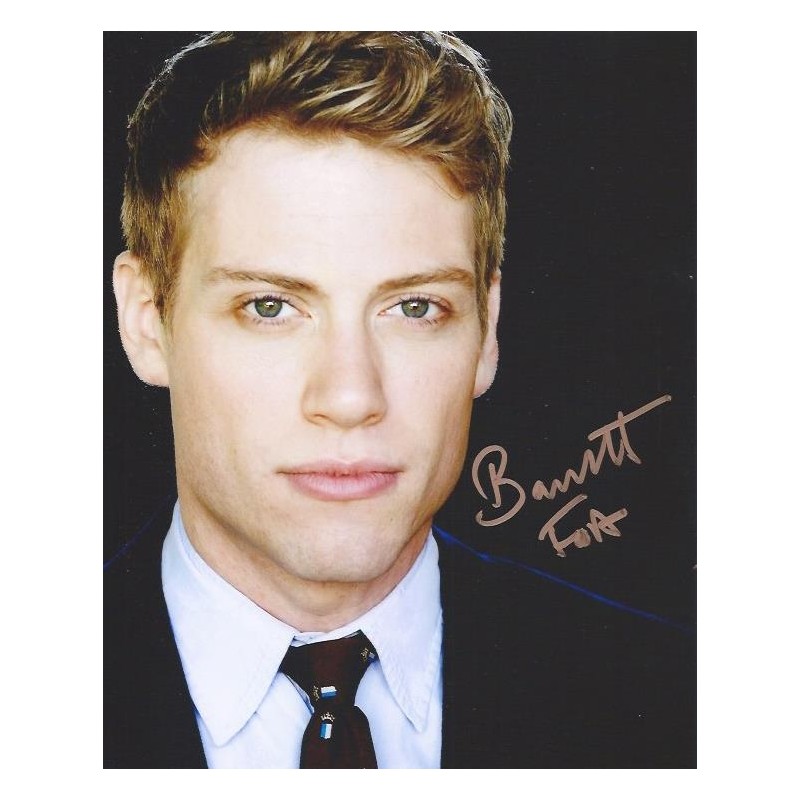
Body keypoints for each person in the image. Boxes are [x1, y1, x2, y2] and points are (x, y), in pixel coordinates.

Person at [105, 31, 695, 769]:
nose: (351, 396)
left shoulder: (684, 705)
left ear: (486, 330)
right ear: (146, 322)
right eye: (269, 307)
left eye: (415, 308)